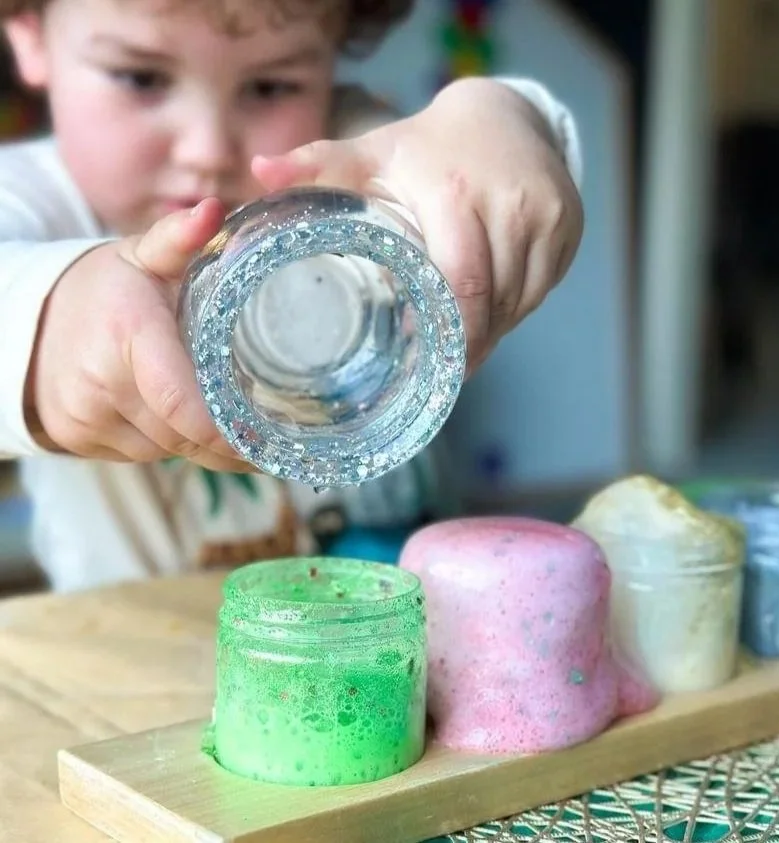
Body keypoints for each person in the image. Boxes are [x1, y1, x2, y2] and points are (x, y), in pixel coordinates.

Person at [0, 0, 584, 591]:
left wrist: (501, 116)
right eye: (141, 78)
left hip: (402, 634)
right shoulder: (33, 201)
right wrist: (58, 313)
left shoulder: (348, 153)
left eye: (270, 86)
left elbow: (455, 157)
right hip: (136, 656)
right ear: (29, 35)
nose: (207, 149)